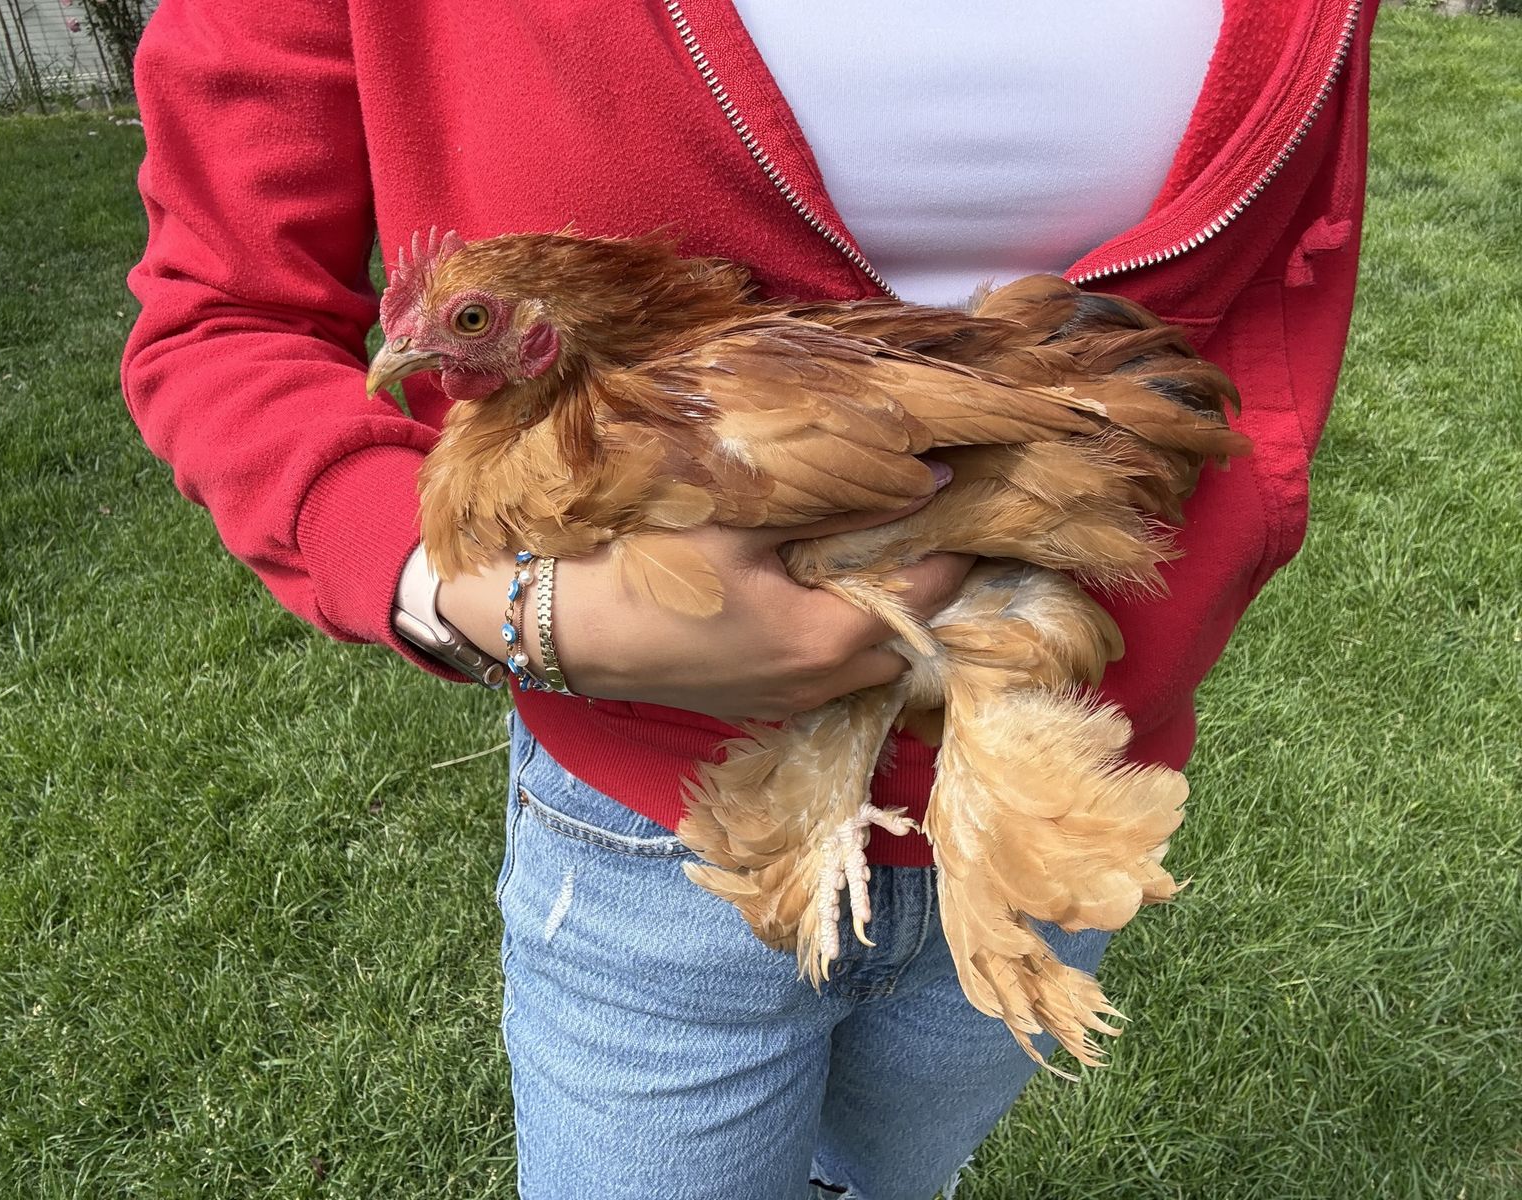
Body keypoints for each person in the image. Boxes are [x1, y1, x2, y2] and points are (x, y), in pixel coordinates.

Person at [122, 2, 1378, 1196]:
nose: (410, 359)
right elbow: (222, 308)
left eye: (464, 322)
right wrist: (481, 599)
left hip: (1057, 749)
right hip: (653, 808)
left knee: (884, 1183)